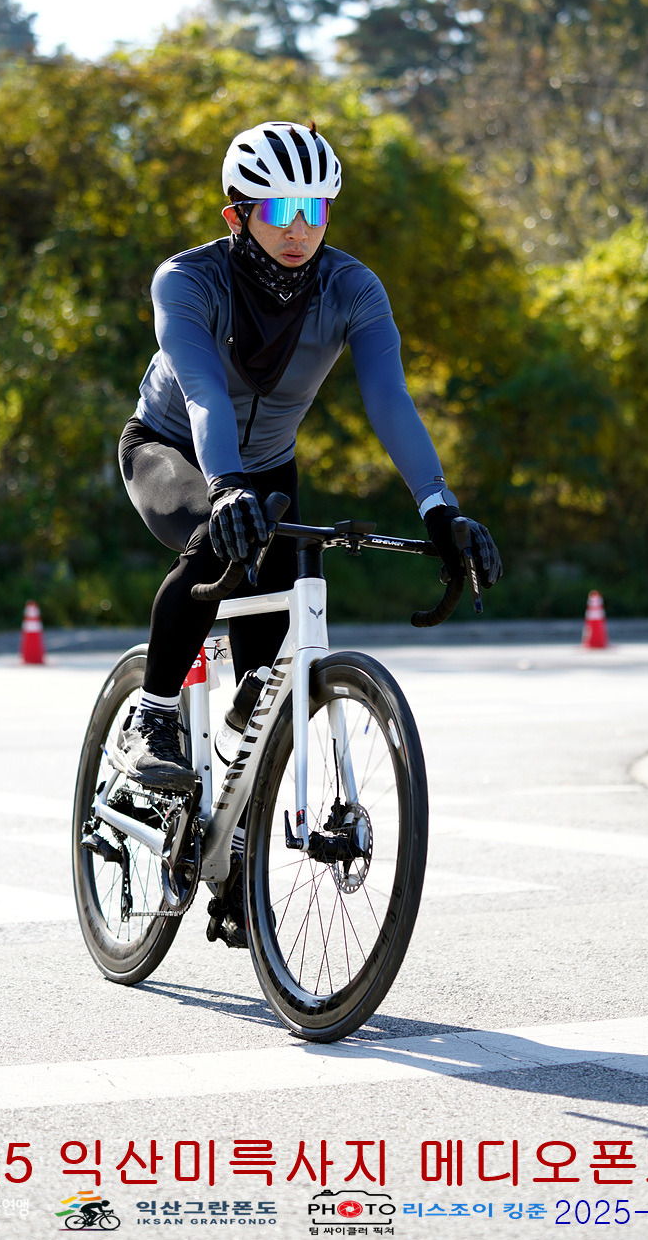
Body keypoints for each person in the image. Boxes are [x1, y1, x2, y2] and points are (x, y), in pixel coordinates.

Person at [115, 120, 501, 942]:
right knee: (213, 546)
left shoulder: (352, 288)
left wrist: (439, 509)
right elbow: (203, 393)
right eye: (280, 208)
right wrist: (223, 487)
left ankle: (234, 849)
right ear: (237, 214)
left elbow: (388, 399)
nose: (299, 227)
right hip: (175, 451)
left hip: (268, 471)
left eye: (315, 209)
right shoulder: (187, 279)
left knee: (266, 682)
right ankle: (153, 712)